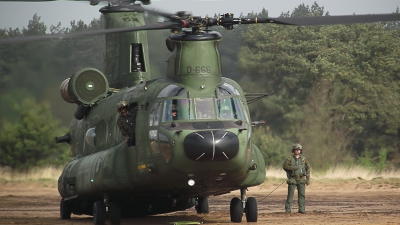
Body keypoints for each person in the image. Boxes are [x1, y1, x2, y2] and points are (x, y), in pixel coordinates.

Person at [282, 143, 311, 214]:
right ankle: (288, 209)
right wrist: (292, 168)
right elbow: (284, 166)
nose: (297, 151)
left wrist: (308, 179)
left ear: (301, 151)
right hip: (292, 179)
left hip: (301, 179)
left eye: (299, 150)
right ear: (293, 150)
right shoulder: (289, 159)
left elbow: (308, 168)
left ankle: (301, 209)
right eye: (296, 150)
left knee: (302, 195)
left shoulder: (304, 159)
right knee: (290, 195)